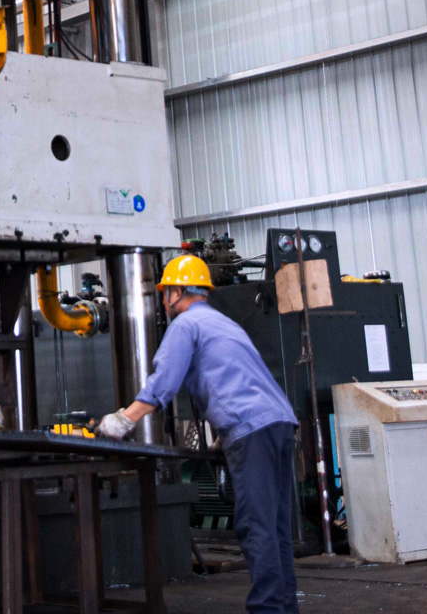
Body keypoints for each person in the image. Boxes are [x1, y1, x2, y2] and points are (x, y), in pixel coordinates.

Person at [97, 255, 300, 614]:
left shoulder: (186, 325)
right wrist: (224, 435)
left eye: (165, 293)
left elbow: (163, 384)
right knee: (276, 525)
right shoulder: (225, 324)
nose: (164, 301)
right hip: (279, 423)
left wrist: (123, 420)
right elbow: (240, 378)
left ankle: (268, 609)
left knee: (257, 525)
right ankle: (283, 607)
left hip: (252, 431)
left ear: (177, 292)